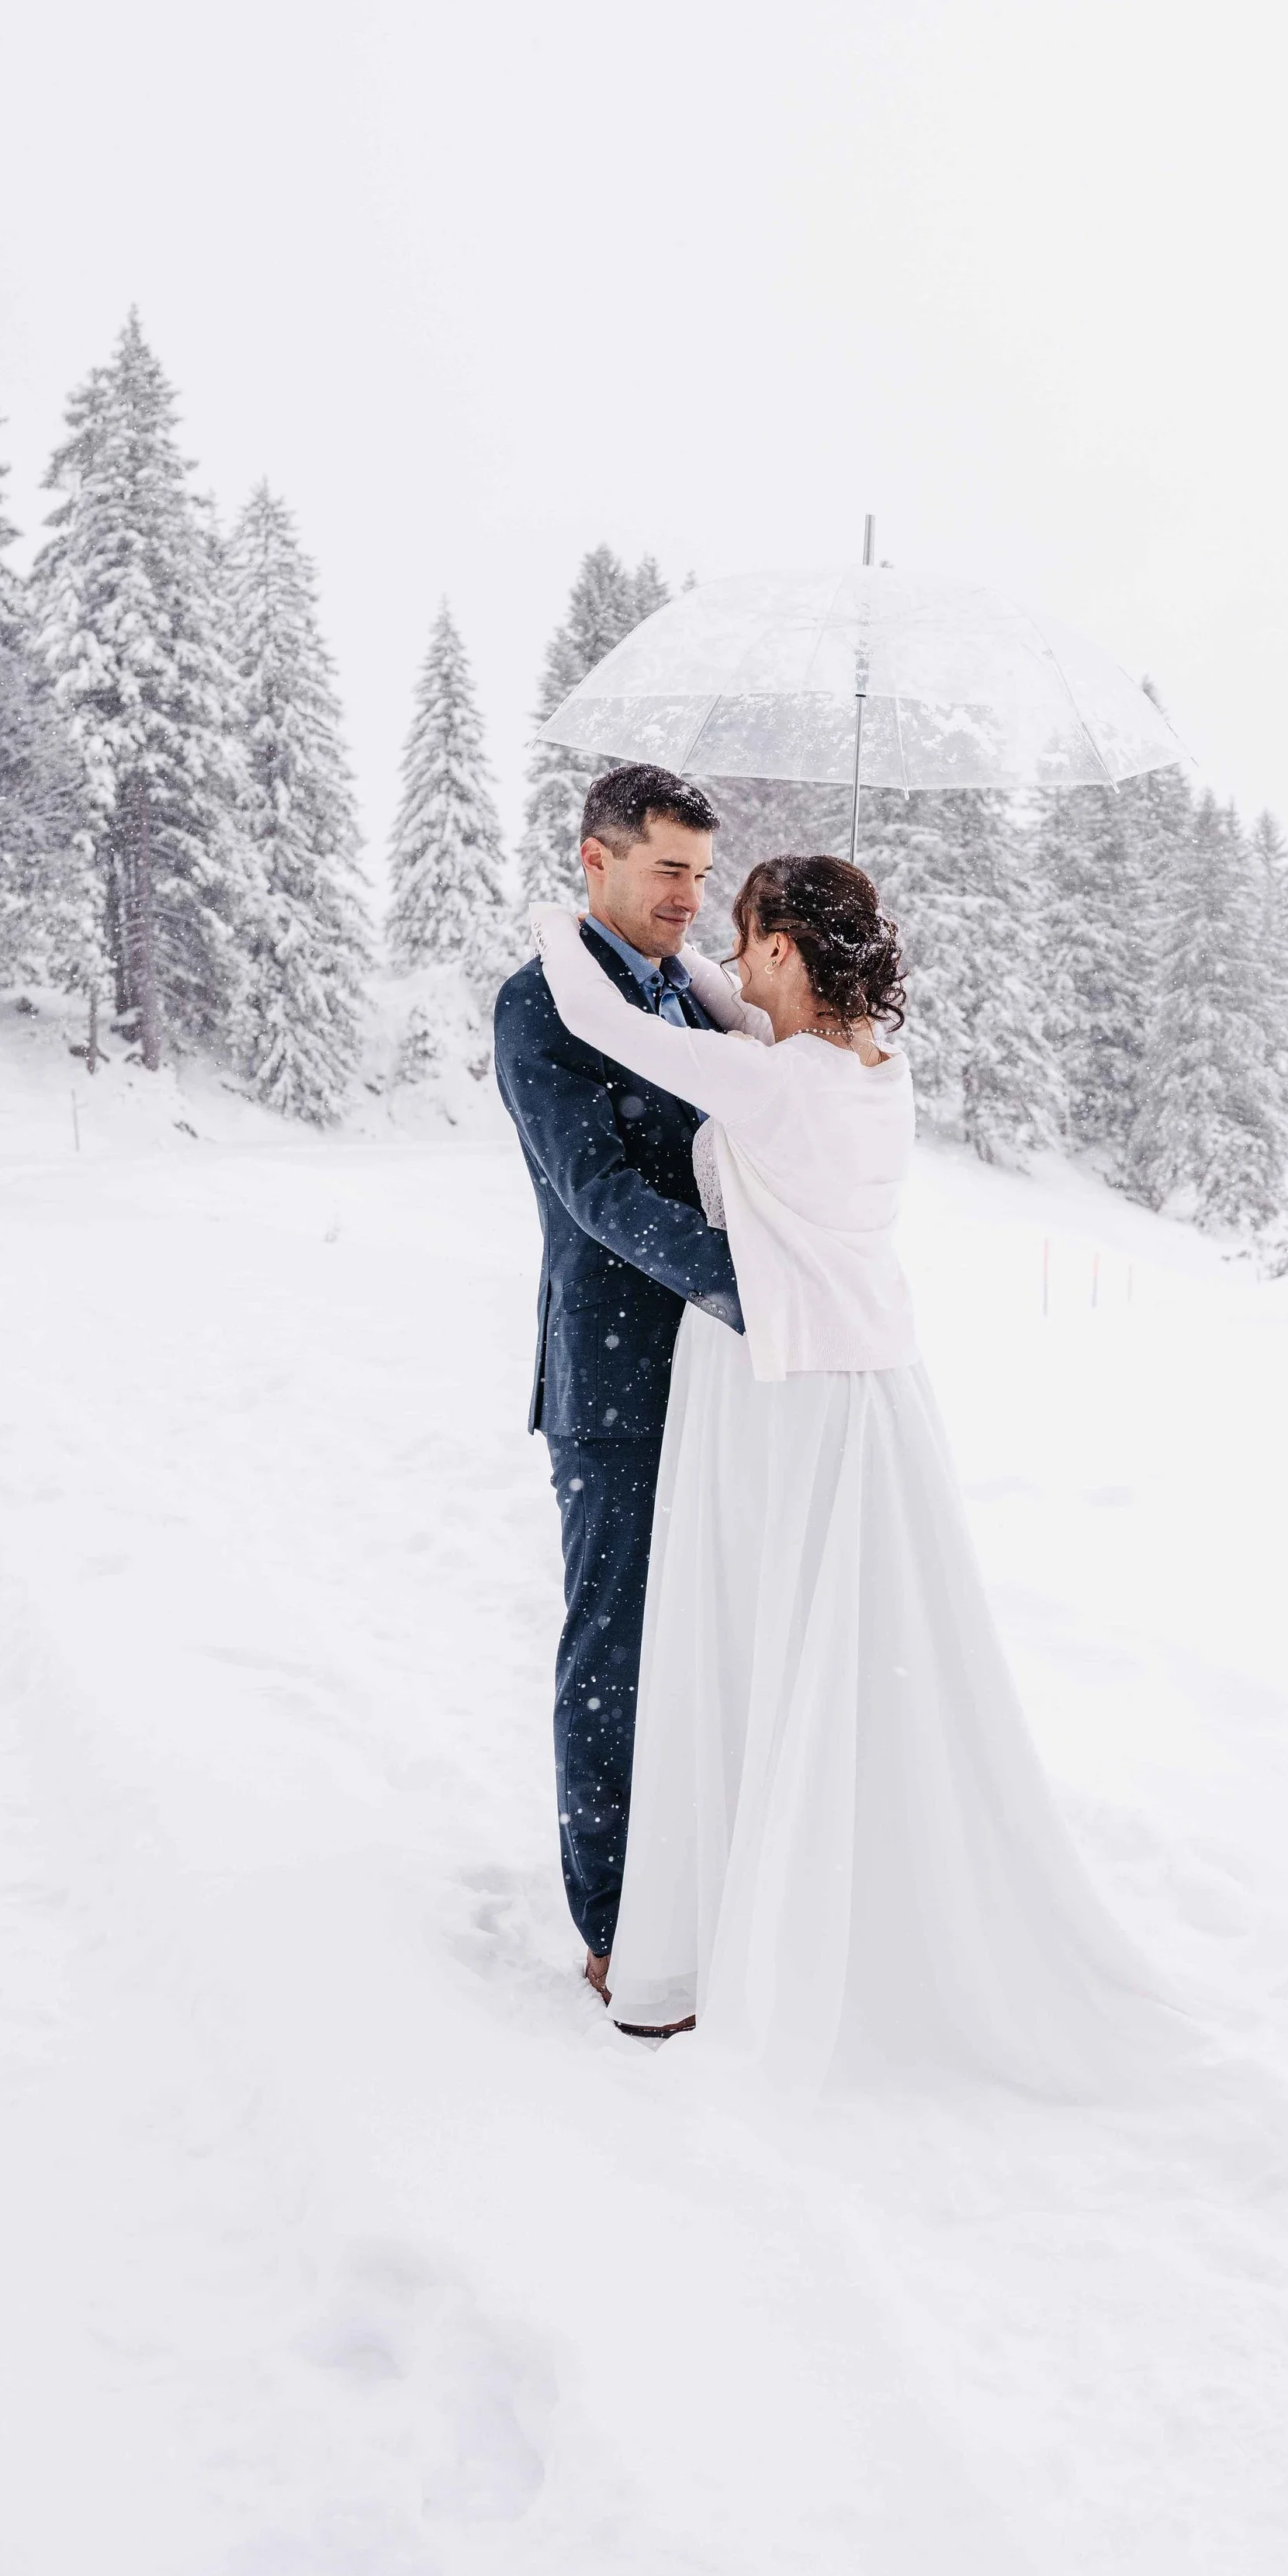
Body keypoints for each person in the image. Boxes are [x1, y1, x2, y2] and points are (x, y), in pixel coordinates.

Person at [528, 854, 1169, 2097]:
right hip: (873, 1390)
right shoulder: (874, 1073)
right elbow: (729, 1003)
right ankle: (842, 1891)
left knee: (762, 1644)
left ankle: (748, 1917)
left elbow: (605, 1016)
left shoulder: (765, 1089)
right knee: (850, 1652)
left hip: (778, 1395)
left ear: (781, 949)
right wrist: (734, 965)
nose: (721, 944)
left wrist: (557, 916)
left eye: (744, 928)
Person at [493, 764, 744, 2022]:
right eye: (668, 870)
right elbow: (598, 1194)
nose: (690, 898)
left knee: (704, 1639)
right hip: (615, 1383)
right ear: (596, 860)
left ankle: (711, 1888)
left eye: (703, 874)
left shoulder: (697, 1006)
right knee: (618, 1649)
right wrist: (759, 1286)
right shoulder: (541, 1005)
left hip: (721, 1385)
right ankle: (612, 1922)